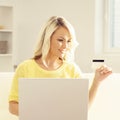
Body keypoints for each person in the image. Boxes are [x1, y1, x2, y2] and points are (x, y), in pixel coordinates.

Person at [8, 16, 112, 116]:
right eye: (60, 40)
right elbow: (13, 107)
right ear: (47, 39)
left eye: (69, 41)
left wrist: (97, 81)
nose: (65, 46)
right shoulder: (25, 68)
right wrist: (44, 113)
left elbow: (83, 108)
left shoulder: (71, 69)